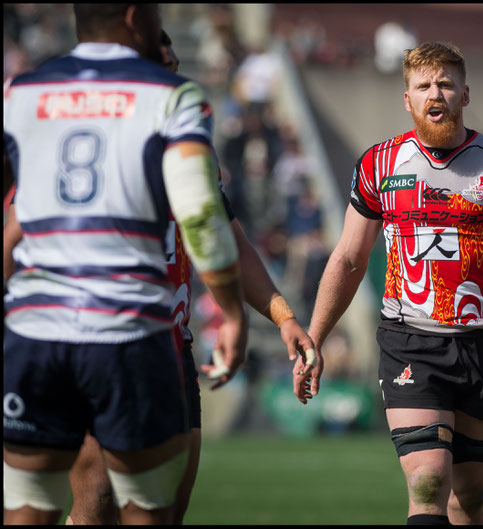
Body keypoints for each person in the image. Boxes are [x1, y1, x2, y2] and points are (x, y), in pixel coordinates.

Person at [0, 30, 316, 525]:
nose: (171, 75)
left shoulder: (186, 145)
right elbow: (17, 231)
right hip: (90, 332)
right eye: (162, 64)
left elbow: (226, 236)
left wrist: (282, 314)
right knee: (98, 498)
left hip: (169, 345)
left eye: (173, 65)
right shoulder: (80, 134)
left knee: (166, 510)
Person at [292, 41, 483, 525]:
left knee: (468, 498)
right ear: (406, 100)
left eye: (446, 84)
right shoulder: (378, 165)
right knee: (428, 480)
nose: (436, 93)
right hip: (411, 342)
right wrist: (315, 338)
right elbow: (347, 258)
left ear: (465, 94)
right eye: (424, 85)